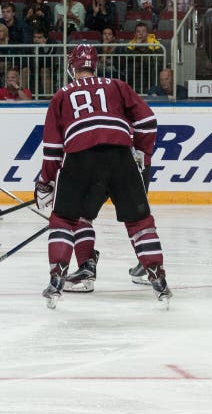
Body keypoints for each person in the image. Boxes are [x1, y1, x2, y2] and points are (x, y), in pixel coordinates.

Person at [35, 44, 170, 309]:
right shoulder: (117, 85)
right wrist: (141, 151)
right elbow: (146, 121)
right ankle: (158, 279)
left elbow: (52, 149)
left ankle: (57, 279)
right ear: (94, 65)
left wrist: (45, 183)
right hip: (120, 157)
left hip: (80, 158)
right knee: (139, 221)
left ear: (72, 67)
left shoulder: (62, 94)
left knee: (64, 218)